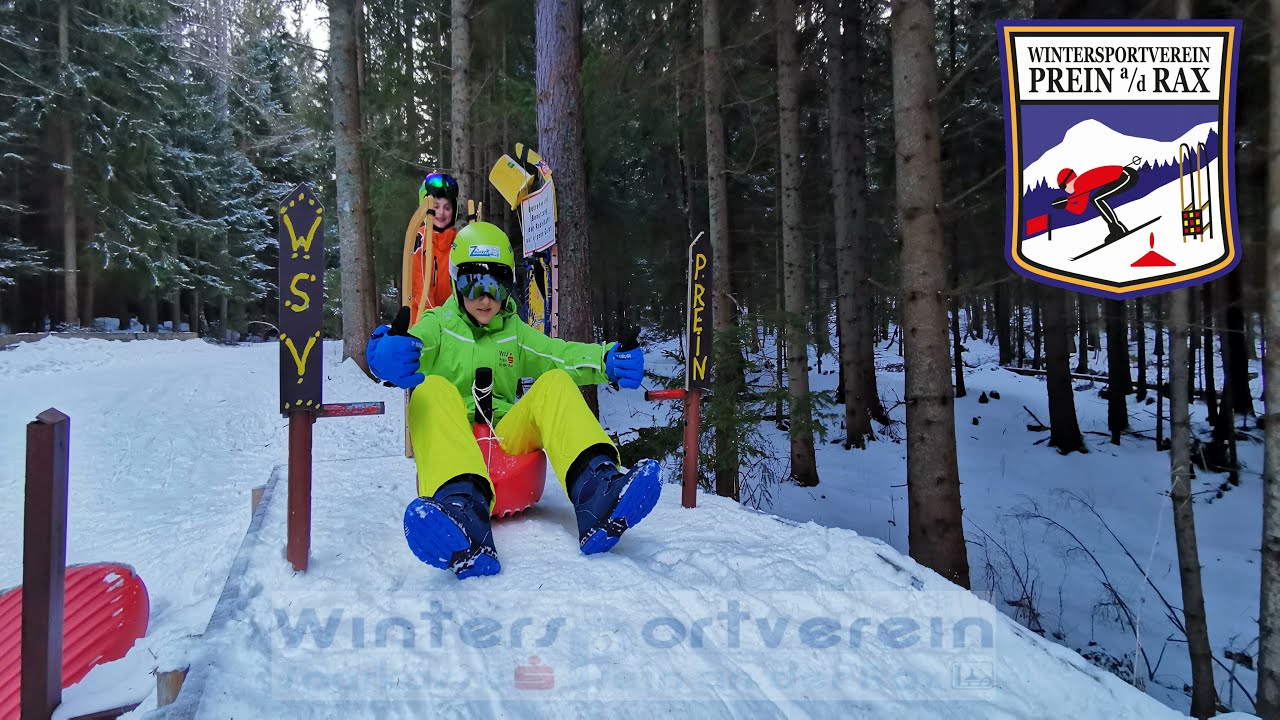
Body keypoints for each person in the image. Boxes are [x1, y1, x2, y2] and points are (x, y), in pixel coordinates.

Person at [366, 222, 659, 579]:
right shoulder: (439, 324)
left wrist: (605, 360)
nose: (484, 298)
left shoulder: (513, 332)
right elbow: (414, 346)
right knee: (429, 390)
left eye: (495, 285)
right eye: (473, 284)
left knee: (553, 382)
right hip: (454, 437)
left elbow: (559, 355)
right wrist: (385, 354)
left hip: (504, 433)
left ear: (507, 289)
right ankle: (462, 512)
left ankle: (598, 491)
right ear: (457, 282)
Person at [409, 172, 460, 318]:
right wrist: (434, 318)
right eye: (436, 207)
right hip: (423, 317)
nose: (441, 213)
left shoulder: (458, 241)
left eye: (447, 208)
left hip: (453, 319)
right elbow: (419, 285)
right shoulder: (420, 238)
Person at [1053, 165, 1139, 244]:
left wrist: (1066, 205)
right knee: (1096, 199)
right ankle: (1117, 228)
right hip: (1126, 174)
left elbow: (1080, 209)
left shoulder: (1080, 184)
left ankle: (1117, 229)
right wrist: (1067, 202)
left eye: (1063, 187)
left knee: (1097, 200)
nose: (1064, 190)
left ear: (1067, 182)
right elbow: (1076, 200)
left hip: (1127, 176)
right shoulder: (1080, 182)